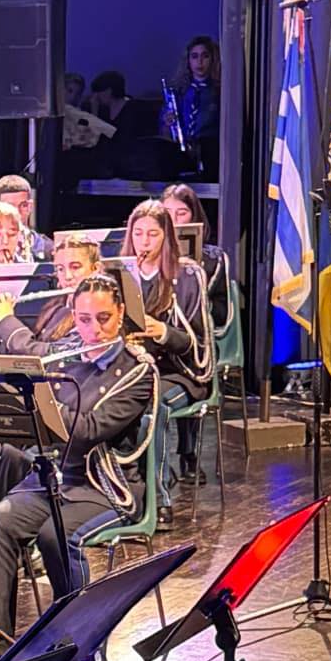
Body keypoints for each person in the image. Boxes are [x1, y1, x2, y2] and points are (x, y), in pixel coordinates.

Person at [0, 274, 156, 640]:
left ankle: (74, 642)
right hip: (54, 479)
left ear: (121, 313)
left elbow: (89, 431)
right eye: (84, 319)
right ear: (74, 317)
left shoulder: (138, 371)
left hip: (104, 487)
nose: (94, 330)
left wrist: (40, 403)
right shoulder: (65, 354)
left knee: (56, 537)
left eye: (104, 318)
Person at [123, 198, 211, 503]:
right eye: (138, 234)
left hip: (179, 374)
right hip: (133, 371)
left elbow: (197, 345)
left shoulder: (187, 275)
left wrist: (163, 333)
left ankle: (158, 498)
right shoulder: (120, 273)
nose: (144, 242)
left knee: (152, 403)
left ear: (167, 236)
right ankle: (125, 487)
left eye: (153, 234)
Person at [0, 231, 101, 354]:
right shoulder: (56, 306)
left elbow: (52, 355)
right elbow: (34, 344)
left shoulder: (98, 313)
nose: (67, 276)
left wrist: (7, 320)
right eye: (60, 269)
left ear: (95, 269)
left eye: (75, 267)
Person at [160, 182, 233, 335]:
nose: (173, 220)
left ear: (194, 216)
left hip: (196, 336)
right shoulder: (145, 252)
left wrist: (198, 303)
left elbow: (221, 315)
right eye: (167, 213)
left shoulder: (214, 260)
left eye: (181, 213)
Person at [165, 36, 221, 177]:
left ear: (212, 60)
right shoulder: (179, 92)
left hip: (211, 155)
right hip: (181, 154)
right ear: (188, 61)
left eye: (205, 56)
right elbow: (165, 129)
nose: (199, 62)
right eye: (194, 56)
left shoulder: (219, 92)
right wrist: (167, 122)